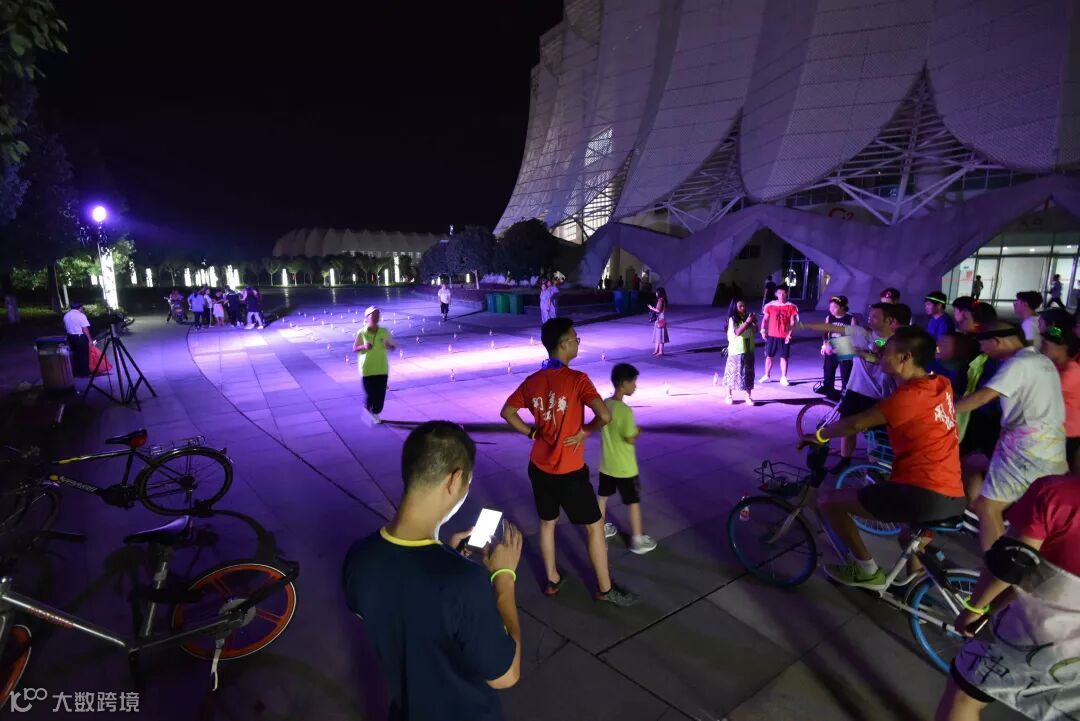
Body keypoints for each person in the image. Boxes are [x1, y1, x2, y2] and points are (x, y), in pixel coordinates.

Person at [343, 422, 523, 721]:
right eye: (468, 482)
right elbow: (506, 675)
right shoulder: (464, 582)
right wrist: (504, 577)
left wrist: (448, 556)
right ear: (454, 480)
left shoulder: (359, 556)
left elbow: (402, 607)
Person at [800, 326, 966, 590]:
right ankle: (914, 592)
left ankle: (865, 570)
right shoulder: (940, 383)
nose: (880, 354)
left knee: (829, 501)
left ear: (905, 357)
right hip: (951, 492)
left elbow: (856, 423)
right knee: (908, 540)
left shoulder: (909, 396)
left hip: (921, 491)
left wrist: (820, 435)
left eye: (886, 350)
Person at [499, 317, 637, 606]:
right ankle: (604, 588)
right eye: (575, 338)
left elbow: (507, 412)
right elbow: (605, 415)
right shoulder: (578, 380)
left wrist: (532, 433)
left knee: (547, 523)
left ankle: (552, 579)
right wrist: (585, 431)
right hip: (570, 472)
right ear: (563, 344)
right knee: (594, 526)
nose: (577, 342)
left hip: (539, 467)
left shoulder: (533, 381)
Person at [935, 473, 1080, 721]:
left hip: (1035, 628)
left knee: (964, 695)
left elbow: (1012, 562)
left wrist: (975, 609)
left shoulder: (1058, 492)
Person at [955, 321, 1067, 551]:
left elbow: (982, 397)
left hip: (1025, 450)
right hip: (1051, 448)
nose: (982, 350)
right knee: (973, 462)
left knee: (988, 507)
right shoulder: (1041, 360)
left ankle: (994, 566)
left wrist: (941, 410)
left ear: (996, 341)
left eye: (983, 345)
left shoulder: (1018, 363)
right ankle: (982, 521)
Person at [799, 303, 911, 474]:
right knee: (847, 428)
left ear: (889, 320)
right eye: (870, 315)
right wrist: (803, 326)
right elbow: (832, 329)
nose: (869, 318)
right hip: (856, 389)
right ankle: (845, 460)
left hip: (879, 395)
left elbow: (881, 356)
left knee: (876, 435)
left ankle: (874, 469)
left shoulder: (896, 341)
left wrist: (864, 353)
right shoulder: (862, 334)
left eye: (875, 316)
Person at [598, 363, 656, 555]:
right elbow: (629, 438)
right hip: (625, 468)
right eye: (633, 382)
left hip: (607, 464)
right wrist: (637, 431)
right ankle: (637, 540)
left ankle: (599, 528)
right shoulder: (625, 411)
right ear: (623, 383)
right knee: (633, 502)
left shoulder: (606, 404)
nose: (635, 386)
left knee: (603, 497)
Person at [1040, 309, 1080, 474]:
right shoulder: (1055, 366)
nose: (1042, 346)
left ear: (1063, 347)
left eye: (1046, 343)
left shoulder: (1071, 371)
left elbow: (1041, 394)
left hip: (1067, 433)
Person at [354, 305, 396, 424]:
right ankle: (368, 410)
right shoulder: (361, 332)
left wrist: (389, 346)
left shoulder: (384, 331)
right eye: (374, 314)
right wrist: (364, 346)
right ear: (367, 317)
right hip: (367, 369)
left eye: (378, 314)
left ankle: (376, 412)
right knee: (370, 394)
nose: (377, 316)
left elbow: (392, 346)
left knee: (380, 395)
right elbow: (355, 348)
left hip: (382, 368)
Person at [759, 285, 800, 386]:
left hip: (784, 336)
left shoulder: (791, 306)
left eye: (784, 293)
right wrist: (763, 330)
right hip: (771, 335)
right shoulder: (770, 305)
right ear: (776, 294)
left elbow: (792, 322)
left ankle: (783, 377)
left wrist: (790, 334)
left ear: (787, 294)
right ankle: (767, 375)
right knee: (769, 356)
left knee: (784, 357)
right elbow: (765, 319)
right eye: (779, 293)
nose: (781, 295)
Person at [820, 295, 855, 398]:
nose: (831, 309)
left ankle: (845, 393)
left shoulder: (850, 318)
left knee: (846, 373)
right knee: (828, 371)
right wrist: (824, 345)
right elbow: (825, 333)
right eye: (830, 307)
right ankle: (829, 391)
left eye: (834, 307)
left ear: (842, 307)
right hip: (831, 349)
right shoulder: (829, 318)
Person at [723, 298, 757, 405]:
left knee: (748, 374)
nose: (743, 308)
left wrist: (754, 322)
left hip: (748, 349)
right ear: (735, 308)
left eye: (744, 305)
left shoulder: (747, 317)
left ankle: (748, 396)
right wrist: (747, 322)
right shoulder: (732, 319)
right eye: (740, 306)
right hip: (736, 350)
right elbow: (737, 332)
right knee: (732, 373)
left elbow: (755, 331)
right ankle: (728, 395)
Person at [63, 302, 93, 377]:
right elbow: (84, 328)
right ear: (80, 308)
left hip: (71, 337)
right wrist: (90, 339)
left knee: (76, 355)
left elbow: (65, 327)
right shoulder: (81, 315)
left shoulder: (66, 315)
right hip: (80, 337)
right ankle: (85, 373)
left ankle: (76, 373)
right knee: (84, 355)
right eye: (82, 308)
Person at [647, 287, 669, 357]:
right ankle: (657, 350)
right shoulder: (663, 300)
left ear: (659, 293)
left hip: (660, 320)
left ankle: (660, 351)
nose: (656, 293)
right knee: (658, 336)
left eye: (657, 292)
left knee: (660, 336)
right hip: (661, 319)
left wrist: (651, 308)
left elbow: (658, 310)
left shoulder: (661, 300)